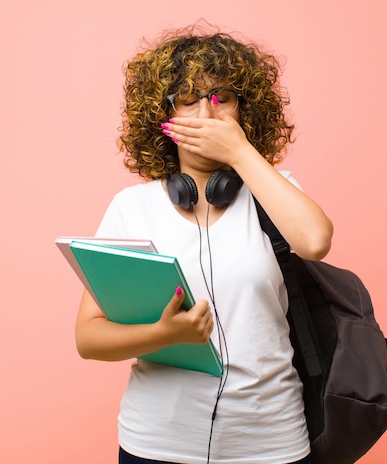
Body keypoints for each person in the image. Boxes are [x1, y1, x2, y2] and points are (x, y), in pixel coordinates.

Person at [75, 24, 333, 464]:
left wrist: (240, 153)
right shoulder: (131, 207)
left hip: (272, 442)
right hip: (156, 443)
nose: (206, 114)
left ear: (243, 110)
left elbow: (315, 241)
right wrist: (164, 335)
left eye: (222, 98)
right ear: (162, 116)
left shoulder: (275, 191)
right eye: (187, 99)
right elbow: (89, 337)